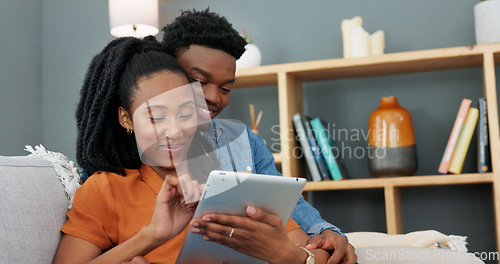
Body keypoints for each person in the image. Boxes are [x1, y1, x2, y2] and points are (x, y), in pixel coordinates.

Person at [53, 36, 330, 264]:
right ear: (126, 118)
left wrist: (290, 256)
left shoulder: (232, 177)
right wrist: (150, 236)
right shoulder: (106, 189)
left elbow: (313, 251)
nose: (174, 131)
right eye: (156, 117)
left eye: (185, 114)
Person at [161, 8, 357, 264]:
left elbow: (286, 204)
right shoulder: (138, 147)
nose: (213, 97)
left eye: (225, 88)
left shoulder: (245, 139)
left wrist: (324, 230)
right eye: (198, 81)